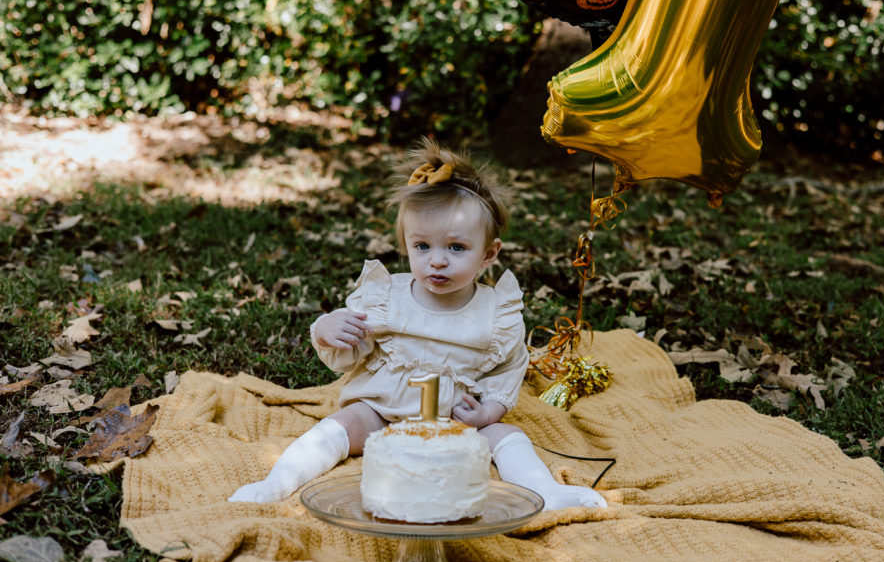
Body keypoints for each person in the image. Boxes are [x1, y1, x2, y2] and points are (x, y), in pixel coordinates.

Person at [229, 140, 607, 511]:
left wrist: (487, 413)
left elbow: (509, 367)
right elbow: (348, 352)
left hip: (457, 421)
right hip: (382, 409)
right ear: (407, 244)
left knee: (508, 436)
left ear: (488, 253)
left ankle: (545, 493)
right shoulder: (386, 298)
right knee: (341, 424)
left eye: (456, 248)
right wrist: (328, 329)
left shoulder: (496, 313)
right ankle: (277, 481)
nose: (437, 261)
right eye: (422, 246)